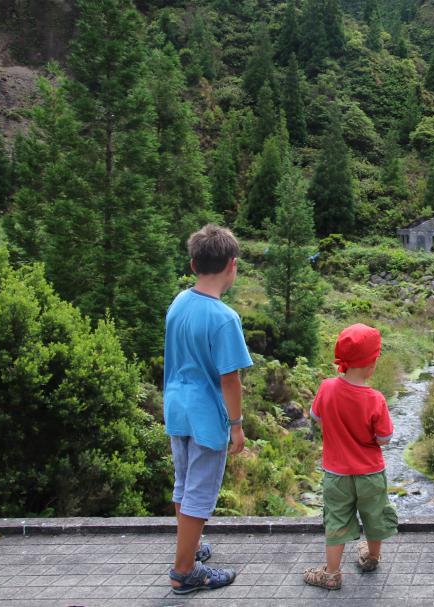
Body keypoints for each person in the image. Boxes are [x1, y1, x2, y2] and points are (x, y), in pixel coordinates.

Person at [164, 224, 253, 594]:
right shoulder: (224, 318)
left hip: (176, 408)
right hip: (205, 416)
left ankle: (191, 547)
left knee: (184, 483)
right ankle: (185, 571)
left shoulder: (179, 302)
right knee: (200, 492)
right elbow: (229, 379)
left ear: (193, 264)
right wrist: (237, 425)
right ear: (232, 265)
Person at [303, 323, 398, 590]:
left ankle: (332, 574)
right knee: (374, 515)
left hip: (336, 474)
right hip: (371, 473)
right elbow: (385, 438)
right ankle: (372, 557)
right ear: (371, 363)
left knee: (336, 519)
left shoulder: (327, 388)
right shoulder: (375, 398)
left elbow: (315, 416)